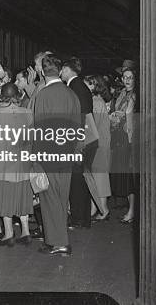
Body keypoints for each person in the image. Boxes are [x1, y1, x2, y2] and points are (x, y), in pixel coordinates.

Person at [33, 54, 81, 256]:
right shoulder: (71, 94)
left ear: (43, 72)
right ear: (60, 71)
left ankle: (58, 242)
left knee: (49, 199)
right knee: (61, 198)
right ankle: (59, 239)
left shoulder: (43, 95)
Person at [0, 83, 34, 246]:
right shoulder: (28, 112)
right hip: (22, 164)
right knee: (22, 197)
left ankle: (8, 234)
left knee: (4, 198)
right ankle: (26, 232)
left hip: (2, 166)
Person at [61, 57, 96, 229]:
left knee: (77, 181)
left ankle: (79, 218)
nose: (60, 72)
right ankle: (80, 217)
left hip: (78, 141)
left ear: (68, 70)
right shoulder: (78, 86)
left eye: (62, 69)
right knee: (78, 180)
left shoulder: (76, 87)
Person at [110, 66, 138, 224]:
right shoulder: (122, 93)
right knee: (124, 176)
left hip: (129, 138)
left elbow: (128, 116)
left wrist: (119, 117)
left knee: (128, 176)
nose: (127, 80)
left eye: (130, 77)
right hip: (120, 137)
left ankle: (132, 211)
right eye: (125, 77)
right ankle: (130, 209)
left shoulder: (135, 96)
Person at [84, 75, 112, 220]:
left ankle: (104, 210)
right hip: (101, 143)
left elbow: (93, 124)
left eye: (87, 85)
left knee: (100, 177)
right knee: (96, 177)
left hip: (99, 144)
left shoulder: (96, 101)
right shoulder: (99, 101)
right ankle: (96, 208)